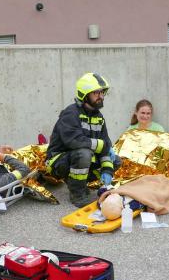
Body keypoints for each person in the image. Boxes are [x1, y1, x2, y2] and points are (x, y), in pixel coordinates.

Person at [46, 72, 120, 207]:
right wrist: (104, 146)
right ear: (85, 94)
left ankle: (80, 182)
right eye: (96, 93)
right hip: (58, 161)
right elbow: (75, 141)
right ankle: (77, 194)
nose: (101, 96)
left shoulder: (99, 117)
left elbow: (105, 144)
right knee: (84, 153)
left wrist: (107, 170)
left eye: (102, 92)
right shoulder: (71, 113)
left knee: (115, 160)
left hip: (82, 156)